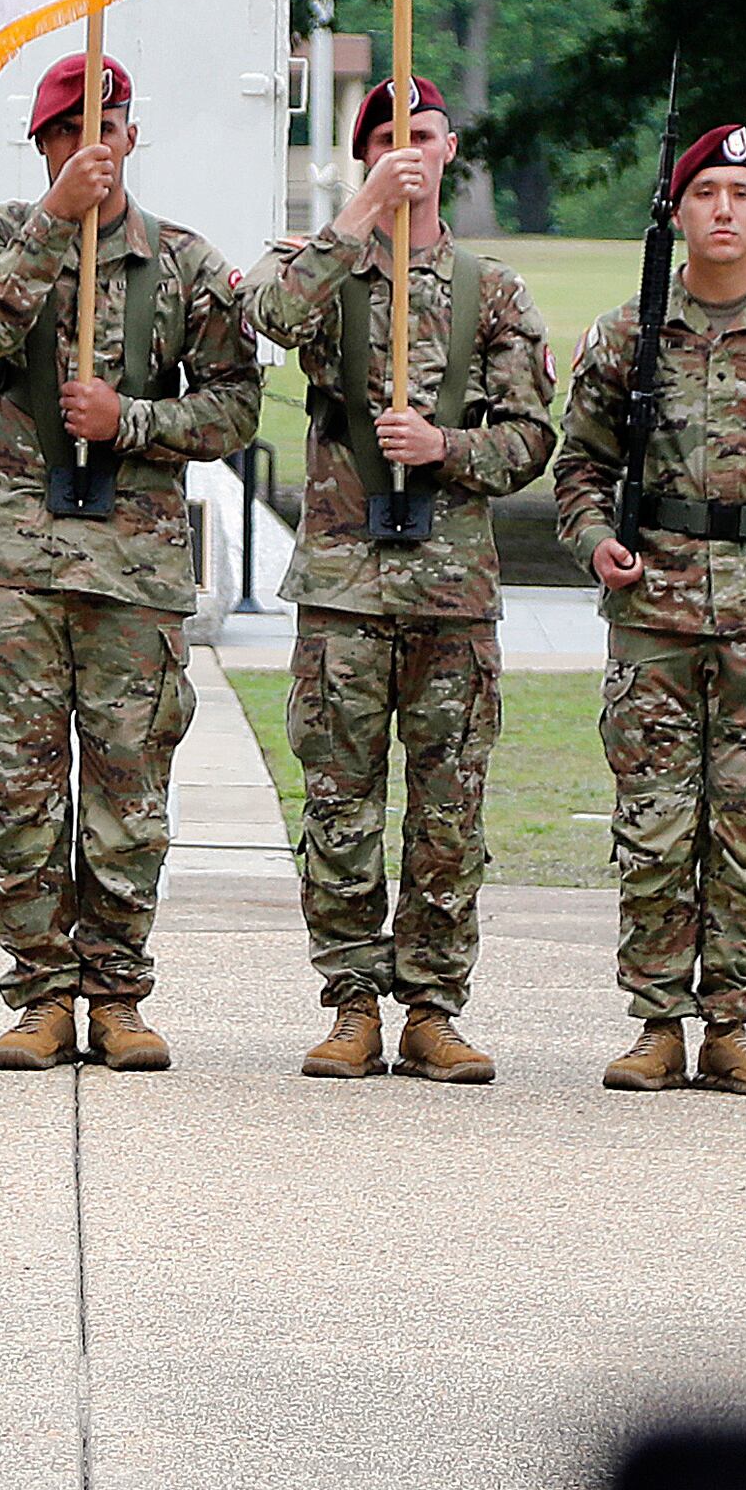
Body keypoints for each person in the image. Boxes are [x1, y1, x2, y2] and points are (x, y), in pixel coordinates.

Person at [0, 52, 263, 1072]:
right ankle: (38, 992)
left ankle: (117, 992)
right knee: (17, 794)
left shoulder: (185, 265)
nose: (95, 146)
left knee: (130, 796)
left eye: (111, 127)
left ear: (134, 136)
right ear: (42, 146)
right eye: (72, 131)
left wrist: (132, 421)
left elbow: (236, 406)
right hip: (18, 562)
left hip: (132, 567)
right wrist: (52, 220)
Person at [246, 75, 554, 1081]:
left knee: (446, 808)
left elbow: (527, 440)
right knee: (339, 803)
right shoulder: (318, 261)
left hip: (449, 589)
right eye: (384, 138)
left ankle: (430, 1005)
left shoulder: (491, 291)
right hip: (342, 581)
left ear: (450, 146)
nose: (405, 151)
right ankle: (348, 1003)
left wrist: (442, 446)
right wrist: (364, 209)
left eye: (419, 135)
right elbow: (272, 319)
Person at [551, 122, 746, 1097]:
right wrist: (590, 539)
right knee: (651, 824)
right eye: (704, 195)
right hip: (651, 612)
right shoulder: (624, 333)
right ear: (678, 213)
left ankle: (732, 1024)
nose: (722, 210)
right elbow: (578, 468)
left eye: (739, 193)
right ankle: (655, 1023)